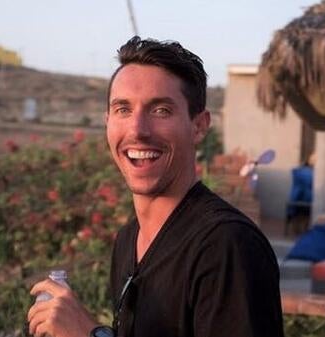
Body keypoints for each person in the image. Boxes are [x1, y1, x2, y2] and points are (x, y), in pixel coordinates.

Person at [27, 36, 284, 337]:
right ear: (107, 121)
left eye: (160, 110)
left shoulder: (226, 246)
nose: (138, 130)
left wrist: (90, 334)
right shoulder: (128, 240)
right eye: (123, 109)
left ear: (199, 126)